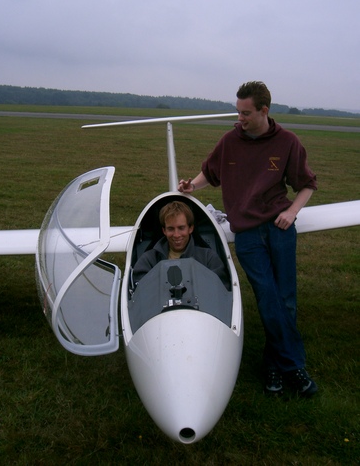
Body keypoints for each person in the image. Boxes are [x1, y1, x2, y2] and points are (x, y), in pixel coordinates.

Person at [178, 81, 318, 397]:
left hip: (280, 229)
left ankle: (273, 366)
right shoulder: (230, 141)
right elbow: (210, 173)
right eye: (238, 111)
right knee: (268, 295)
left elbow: (307, 184)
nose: (239, 118)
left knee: (286, 299)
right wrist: (191, 187)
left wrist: (292, 212)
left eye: (245, 113)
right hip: (247, 234)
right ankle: (294, 367)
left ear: (263, 111)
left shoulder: (287, 142)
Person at [133, 201, 229, 288]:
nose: (176, 235)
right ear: (164, 230)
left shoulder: (208, 258)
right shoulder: (148, 260)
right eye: (171, 229)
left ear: (190, 228)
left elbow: (221, 289)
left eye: (181, 228)